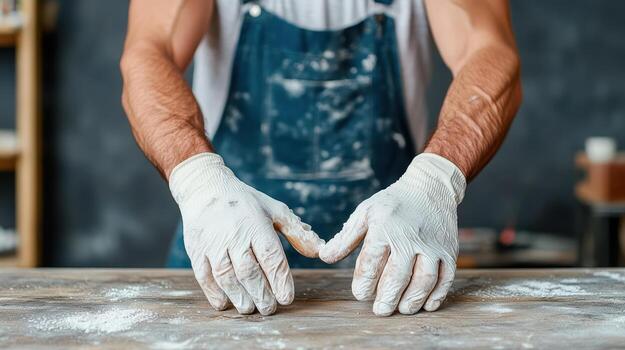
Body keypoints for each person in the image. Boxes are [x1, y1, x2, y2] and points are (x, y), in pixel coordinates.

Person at [120, 0, 521, 317]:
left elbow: (490, 53)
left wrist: (437, 178)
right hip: (225, 241)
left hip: (394, 253)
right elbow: (148, 55)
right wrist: (198, 181)